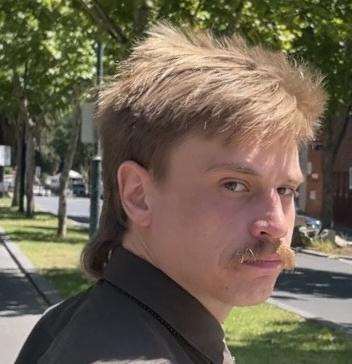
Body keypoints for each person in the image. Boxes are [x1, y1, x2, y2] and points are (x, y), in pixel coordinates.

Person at [16, 23, 326, 364]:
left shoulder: (84, 322)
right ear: (137, 195)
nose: (277, 224)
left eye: (285, 190)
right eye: (234, 185)